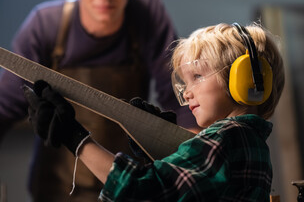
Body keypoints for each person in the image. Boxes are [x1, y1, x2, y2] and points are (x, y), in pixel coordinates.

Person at [0, 0, 199, 201]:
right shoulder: (46, 25)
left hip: (125, 184)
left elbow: (181, 102)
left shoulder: (147, 13)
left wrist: (195, 177)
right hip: (57, 189)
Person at [24, 22, 285, 201]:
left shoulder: (228, 138)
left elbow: (140, 192)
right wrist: (155, 144)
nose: (187, 92)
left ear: (246, 79)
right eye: (184, 82)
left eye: (197, 76)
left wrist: (75, 138)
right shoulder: (249, 141)